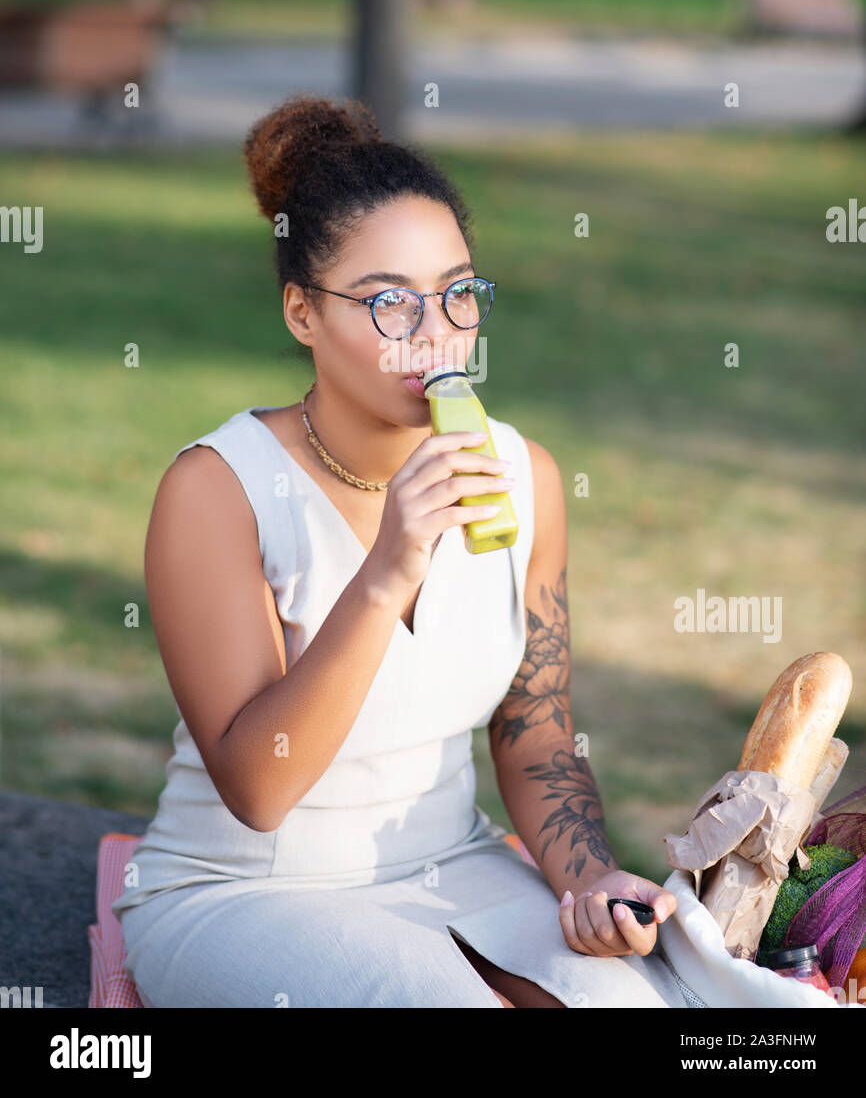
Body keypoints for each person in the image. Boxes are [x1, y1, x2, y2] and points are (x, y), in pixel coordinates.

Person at [112, 94, 688, 1009]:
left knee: (647, 1008)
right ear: (302, 313)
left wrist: (588, 882)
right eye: (388, 302)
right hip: (245, 889)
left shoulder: (523, 476)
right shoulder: (218, 490)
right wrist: (385, 575)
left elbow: (535, 732)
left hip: (450, 865)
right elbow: (259, 788)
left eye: (458, 293)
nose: (436, 334)